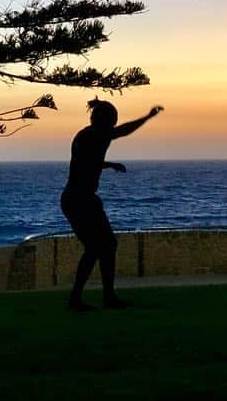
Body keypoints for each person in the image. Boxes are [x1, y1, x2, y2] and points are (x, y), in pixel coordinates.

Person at [61, 99, 164, 311]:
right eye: (112, 121)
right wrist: (110, 164)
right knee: (100, 246)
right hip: (79, 199)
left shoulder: (92, 135)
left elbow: (121, 132)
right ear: (105, 121)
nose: (113, 126)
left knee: (103, 246)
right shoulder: (91, 136)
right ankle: (86, 298)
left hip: (83, 199)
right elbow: (86, 162)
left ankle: (98, 297)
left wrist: (147, 117)